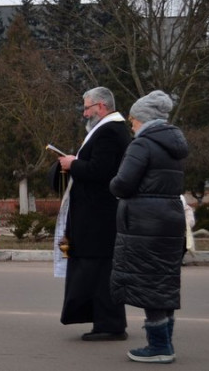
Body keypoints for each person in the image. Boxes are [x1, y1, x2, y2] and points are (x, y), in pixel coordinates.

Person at [109, 90, 188, 364]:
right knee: (163, 280)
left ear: (143, 119)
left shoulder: (142, 145)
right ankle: (165, 341)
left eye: (132, 119)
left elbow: (123, 183)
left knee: (149, 283)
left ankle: (159, 347)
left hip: (145, 222)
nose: (131, 125)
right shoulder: (174, 145)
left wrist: (113, 184)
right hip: (170, 218)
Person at [54, 87, 131, 341]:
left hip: (99, 218)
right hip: (96, 216)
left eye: (87, 108)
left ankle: (110, 325)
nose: (84, 113)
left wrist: (73, 164)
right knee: (96, 270)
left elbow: (101, 171)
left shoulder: (109, 131)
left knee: (100, 271)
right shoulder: (108, 129)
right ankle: (104, 322)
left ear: (101, 107)